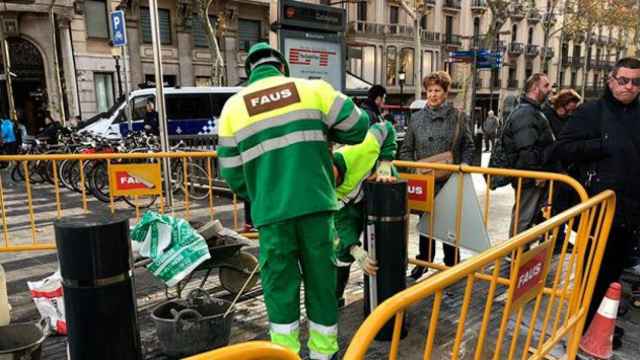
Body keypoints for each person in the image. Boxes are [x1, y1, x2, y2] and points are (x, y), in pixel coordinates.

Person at [217, 42, 369, 359]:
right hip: (317, 210)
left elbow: (232, 175)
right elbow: (358, 127)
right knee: (322, 285)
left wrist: (265, 191)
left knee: (280, 289)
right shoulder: (313, 90)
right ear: (283, 68)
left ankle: (282, 354)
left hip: (272, 217)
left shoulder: (233, 108)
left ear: (250, 72)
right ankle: (323, 355)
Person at [553, 57, 640, 349]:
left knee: (614, 276)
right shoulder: (591, 112)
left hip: (632, 213)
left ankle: (601, 328)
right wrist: (602, 145)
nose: (629, 86)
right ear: (611, 81)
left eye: (636, 81)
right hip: (600, 210)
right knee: (593, 274)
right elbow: (562, 149)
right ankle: (579, 331)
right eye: (623, 80)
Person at [398, 71, 475, 280]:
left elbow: (468, 145)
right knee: (426, 223)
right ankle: (424, 261)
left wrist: (464, 165)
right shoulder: (416, 120)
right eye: (430, 90)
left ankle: (452, 264)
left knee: (449, 225)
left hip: (450, 179)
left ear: (446, 92)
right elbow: (405, 149)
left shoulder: (458, 117)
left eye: (437, 90)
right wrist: (414, 169)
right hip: (425, 181)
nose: (433, 94)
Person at [333, 121, 397, 307]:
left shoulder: (361, 149)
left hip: (383, 193)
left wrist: (385, 162)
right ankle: (335, 298)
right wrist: (354, 248)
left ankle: (392, 295)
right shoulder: (323, 190)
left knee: (387, 242)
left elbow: (387, 128)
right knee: (342, 251)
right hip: (352, 208)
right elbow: (340, 221)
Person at [502, 73, 553, 237]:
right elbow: (527, 146)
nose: (550, 90)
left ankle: (519, 254)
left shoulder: (531, 111)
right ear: (535, 88)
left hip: (531, 174)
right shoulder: (526, 113)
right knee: (523, 217)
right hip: (529, 175)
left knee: (527, 216)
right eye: (546, 86)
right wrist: (535, 172)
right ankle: (515, 254)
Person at [542, 89, 582, 254]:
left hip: (566, 170)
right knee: (552, 207)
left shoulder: (569, 120)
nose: (571, 113)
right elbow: (550, 147)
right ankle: (554, 238)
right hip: (552, 169)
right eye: (569, 109)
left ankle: (558, 238)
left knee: (561, 207)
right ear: (562, 104)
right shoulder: (547, 117)